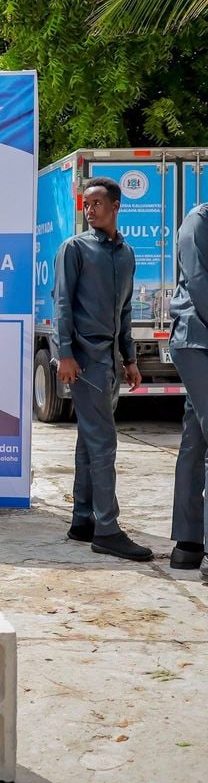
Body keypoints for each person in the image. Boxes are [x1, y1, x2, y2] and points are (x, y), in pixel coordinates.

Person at [54, 176, 150, 562]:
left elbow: (124, 310)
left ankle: (83, 520)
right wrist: (64, 354)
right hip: (85, 359)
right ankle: (107, 529)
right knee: (104, 443)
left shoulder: (126, 255)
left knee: (89, 441)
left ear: (115, 206)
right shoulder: (74, 248)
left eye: (96, 203)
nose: (89, 209)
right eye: (86, 204)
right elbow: (63, 303)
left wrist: (130, 358)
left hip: (110, 360)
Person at [168, 202, 208, 581]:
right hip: (196, 339)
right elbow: (197, 281)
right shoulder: (199, 220)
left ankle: (189, 543)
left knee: (196, 440)